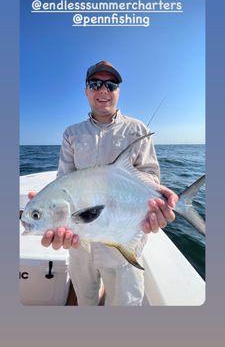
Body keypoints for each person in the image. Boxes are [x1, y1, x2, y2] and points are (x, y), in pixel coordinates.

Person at [28, 60, 178, 306]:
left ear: (118, 91)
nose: (103, 90)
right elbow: (64, 180)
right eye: (95, 84)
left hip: (124, 235)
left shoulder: (137, 129)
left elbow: (150, 175)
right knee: (85, 299)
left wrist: (155, 197)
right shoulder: (72, 134)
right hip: (79, 241)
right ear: (86, 90)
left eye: (111, 84)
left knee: (124, 305)